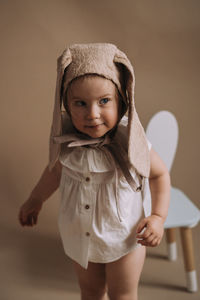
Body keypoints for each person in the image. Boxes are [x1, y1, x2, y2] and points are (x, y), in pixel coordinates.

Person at [18, 43, 170, 300]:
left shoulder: (130, 142)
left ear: (122, 100)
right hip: (80, 237)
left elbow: (159, 174)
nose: (93, 114)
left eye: (104, 101)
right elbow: (53, 173)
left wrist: (157, 216)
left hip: (124, 239)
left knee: (122, 294)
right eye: (80, 103)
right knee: (90, 292)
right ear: (65, 103)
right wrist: (35, 199)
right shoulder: (65, 142)